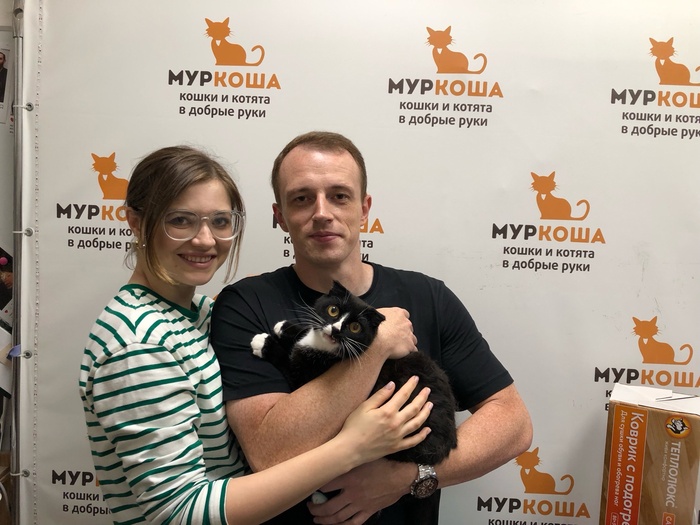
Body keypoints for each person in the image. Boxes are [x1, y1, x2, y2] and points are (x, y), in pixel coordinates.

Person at [78, 145, 434, 525]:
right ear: (135, 222)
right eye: (180, 220)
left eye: (220, 221)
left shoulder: (197, 313)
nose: (205, 240)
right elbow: (178, 512)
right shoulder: (139, 345)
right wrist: (351, 448)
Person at [210, 131, 533, 525]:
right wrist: (378, 343)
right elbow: (270, 451)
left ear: (364, 208)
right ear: (280, 216)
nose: (322, 212)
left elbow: (512, 422)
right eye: (302, 198)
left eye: (339, 196)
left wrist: (408, 477)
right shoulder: (246, 304)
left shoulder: (427, 296)